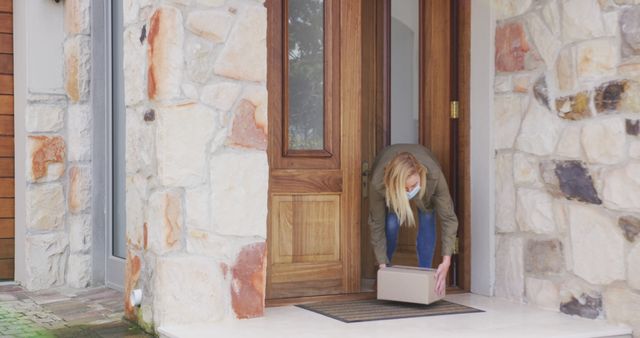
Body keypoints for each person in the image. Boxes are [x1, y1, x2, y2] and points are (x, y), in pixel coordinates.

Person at [368, 144, 459, 296]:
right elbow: (376, 224)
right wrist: (382, 266)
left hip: (426, 182)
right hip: (391, 188)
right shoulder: (379, 183)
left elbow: (449, 218)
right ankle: (385, 269)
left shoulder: (433, 176)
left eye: (414, 185)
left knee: (427, 217)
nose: (410, 191)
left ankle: (427, 276)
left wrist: (446, 261)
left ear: (419, 174)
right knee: (391, 223)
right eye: (405, 188)